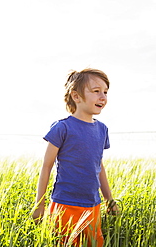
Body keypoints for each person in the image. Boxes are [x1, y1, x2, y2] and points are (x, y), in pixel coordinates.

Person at [32, 68, 119, 246]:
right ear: (76, 96)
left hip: (92, 205)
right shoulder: (62, 128)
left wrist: (109, 199)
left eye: (105, 92)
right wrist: (39, 204)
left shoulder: (102, 129)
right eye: (96, 91)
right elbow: (46, 166)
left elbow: (99, 166)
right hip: (65, 204)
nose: (103, 97)